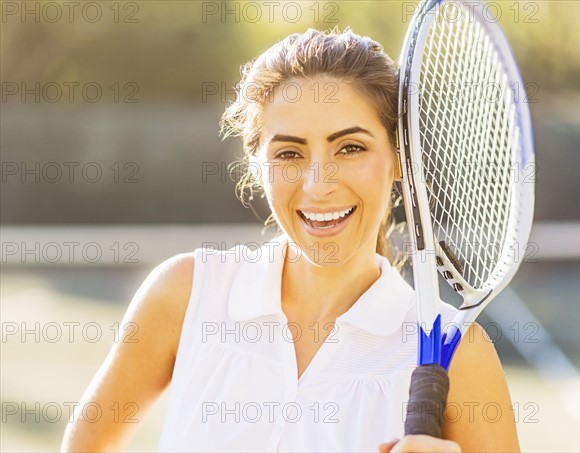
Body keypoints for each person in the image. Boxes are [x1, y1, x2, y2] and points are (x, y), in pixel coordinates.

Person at [61, 28, 520, 453]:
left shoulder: (460, 354)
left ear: (401, 159)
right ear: (256, 166)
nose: (318, 184)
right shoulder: (184, 294)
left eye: (351, 147)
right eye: (288, 153)